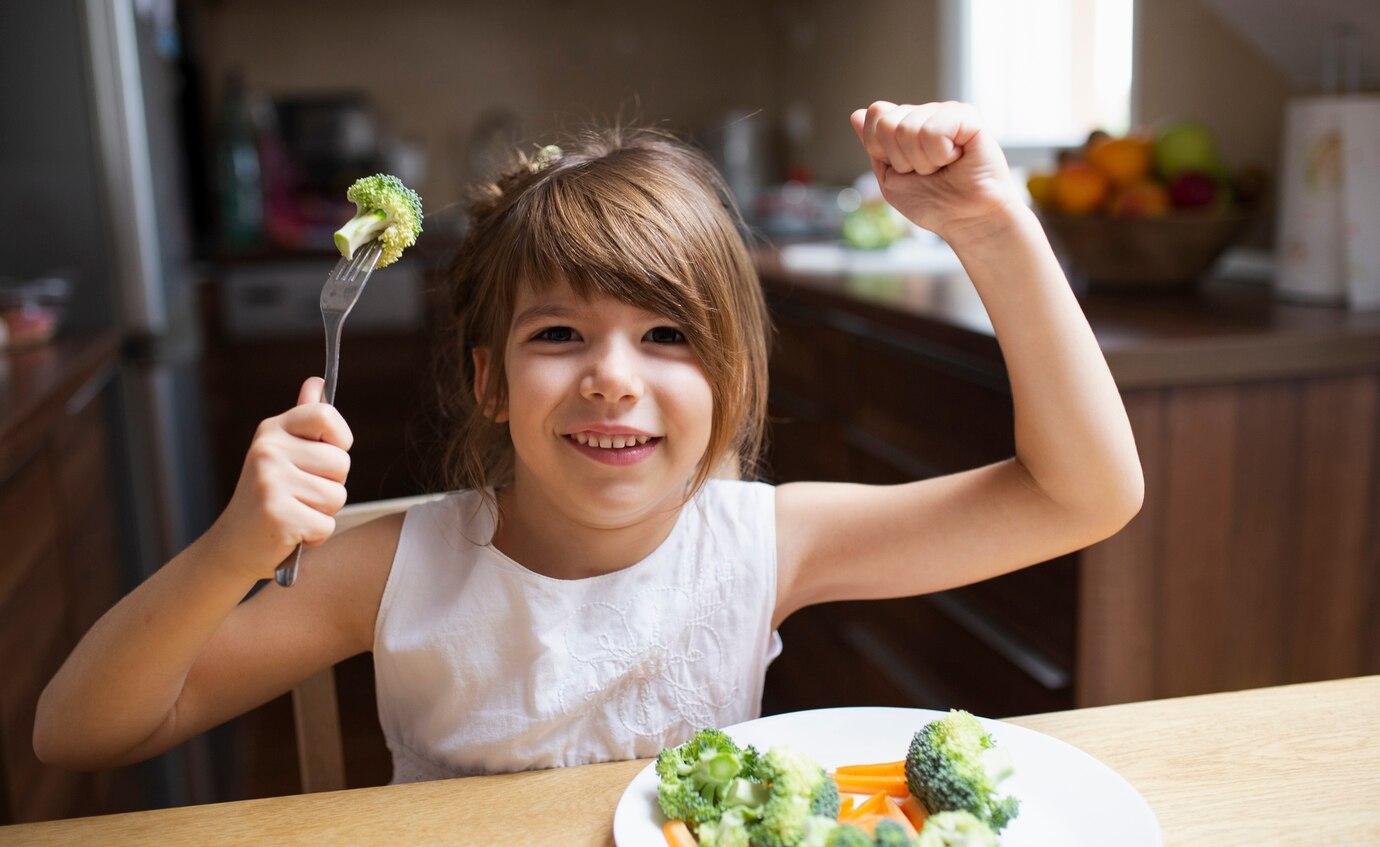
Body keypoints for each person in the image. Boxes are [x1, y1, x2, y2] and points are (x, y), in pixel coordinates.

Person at [34, 102, 1142, 783]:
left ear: (732, 379)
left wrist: (994, 229)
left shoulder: (766, 542)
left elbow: (1081, 495)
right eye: (559, 334)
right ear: (490, 382)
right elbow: (81, 732)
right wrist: (234, 547)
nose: (613, 373)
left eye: (668, 336)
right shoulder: (388, 572)